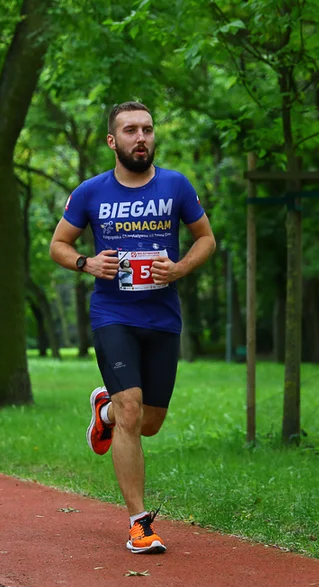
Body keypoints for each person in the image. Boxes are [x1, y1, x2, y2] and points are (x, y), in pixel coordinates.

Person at [50, 101, 216, 554]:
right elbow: (58, 245)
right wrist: (88, 263)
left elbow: (206, 238)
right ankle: (139, 523)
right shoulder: (90, 193)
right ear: (112, 141)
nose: (140, 137)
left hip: (162, 317)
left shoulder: (176, 185)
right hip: (113, 315)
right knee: (131, 411)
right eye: (129, 130)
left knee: (150, 422)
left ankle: (102, 412)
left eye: (146, 129)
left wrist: (178, 269)